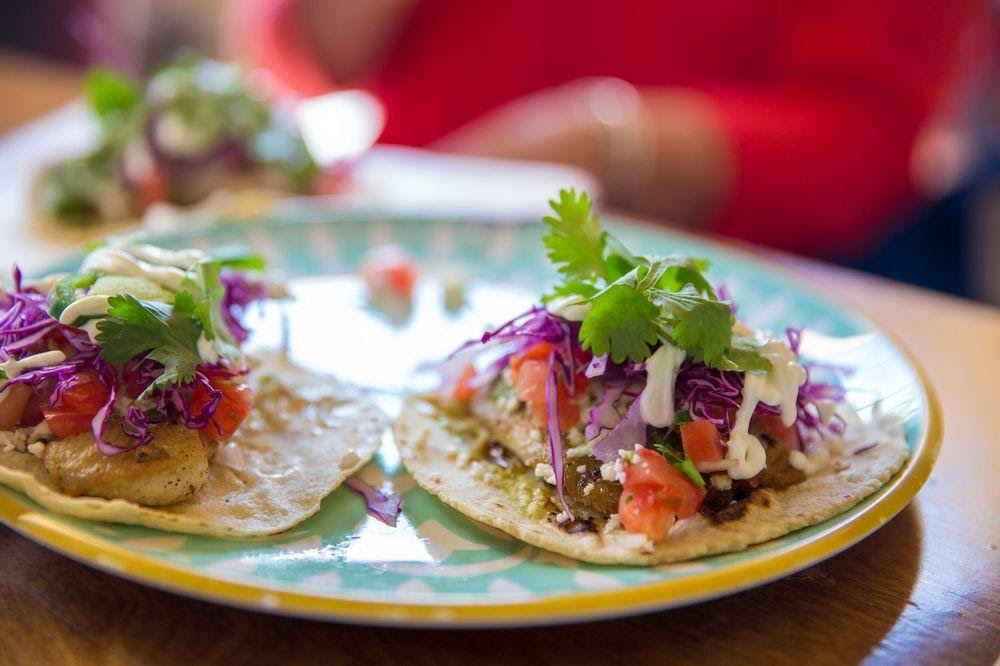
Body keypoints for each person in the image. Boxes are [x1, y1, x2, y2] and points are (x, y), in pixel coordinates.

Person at [226, 0, 987, 258]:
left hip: (701, 292)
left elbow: (865, 143)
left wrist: (603, 142)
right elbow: (311, 51)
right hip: (392, 263)